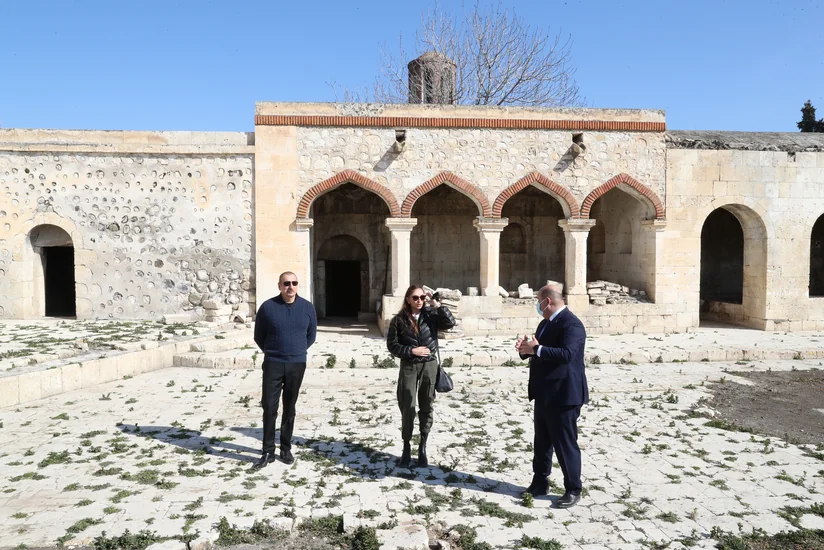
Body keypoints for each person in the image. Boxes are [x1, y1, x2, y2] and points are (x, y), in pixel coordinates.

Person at [516, 283, 588, 508]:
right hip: (544, 393)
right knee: (542, 442)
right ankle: (540, 481)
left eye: (538, 301)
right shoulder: (545, 323)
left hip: (564, 395)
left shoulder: (572, 324)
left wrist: (536, 349)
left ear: (547, 301)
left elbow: (567, 354)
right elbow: (541, 350)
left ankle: (573, 489)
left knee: (565, 443)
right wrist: (526, 350)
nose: (537, 306)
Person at [252, 271, 317, 468]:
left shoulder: (307, 307)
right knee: (270, 407)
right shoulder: (268, 307)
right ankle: (267, 451)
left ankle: (285, 448)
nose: (291, 287)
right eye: (286, 283)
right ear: (279, 286)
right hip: (273, 362)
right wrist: (273, 352)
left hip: (297, 363)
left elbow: (311, 335)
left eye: (294, 283)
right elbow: (259, 335)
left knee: (290, 407)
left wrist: (296, 351)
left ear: (298, 285)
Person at [386, 285, 455, 468]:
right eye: (415, 297)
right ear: (408, 299)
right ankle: (406, 447)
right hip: (409, 365)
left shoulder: (430, 315)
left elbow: (449, 323)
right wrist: (411, 350)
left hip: (429, 365)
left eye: (422, 297)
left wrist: (437, 305)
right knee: (407, 404)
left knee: (426, 404)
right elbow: (392, 346)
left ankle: (423, 446)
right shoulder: (398, 320)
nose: (419, 301)